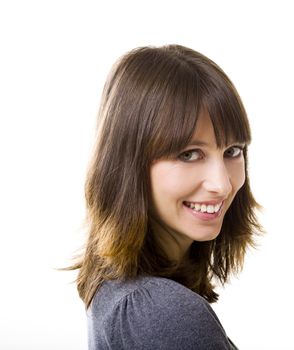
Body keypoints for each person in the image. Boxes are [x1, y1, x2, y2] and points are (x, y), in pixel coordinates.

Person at [69, 44, 264, 349]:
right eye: (189, 154)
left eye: (232, 151)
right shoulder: (162, 312)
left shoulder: (126, 293)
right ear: (129, 165)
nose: (222, 185)